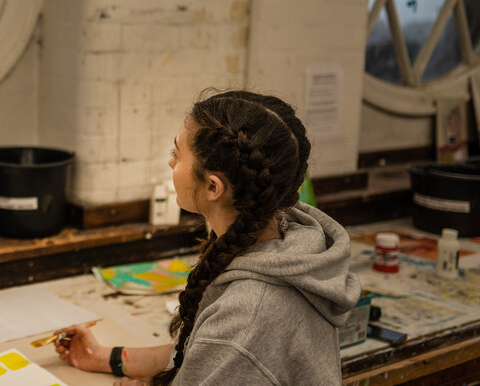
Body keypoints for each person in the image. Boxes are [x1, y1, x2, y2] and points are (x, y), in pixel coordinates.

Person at [54, 90, 361, 385]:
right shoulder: (278, 243)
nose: (171, 163)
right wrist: (104, 358)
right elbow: (200, 356)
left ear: (214, 188)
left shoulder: (245, 318)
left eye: (177, 153)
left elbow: (223, 350)